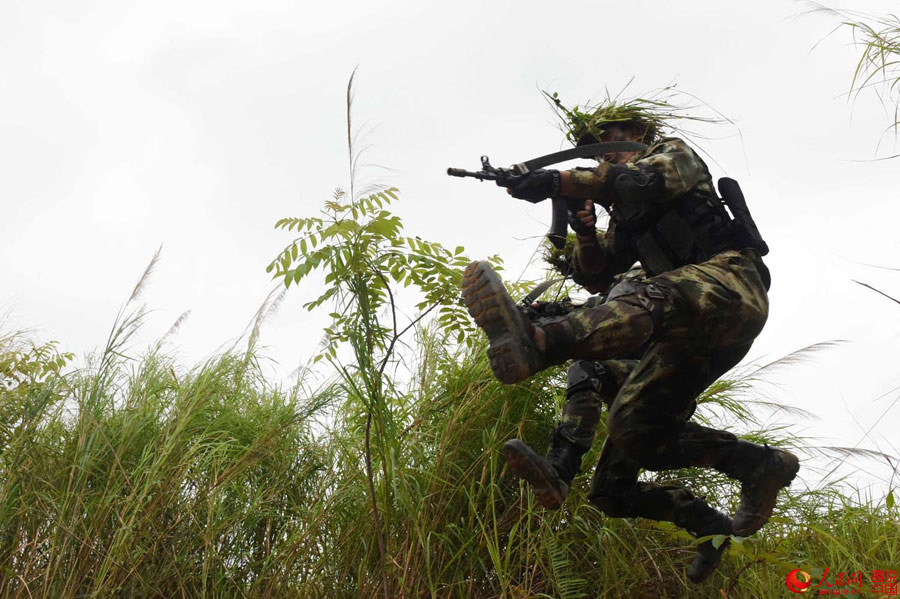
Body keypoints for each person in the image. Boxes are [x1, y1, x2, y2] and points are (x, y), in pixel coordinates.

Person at [460, 100, 799, 583]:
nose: (605, 159)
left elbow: (643, 181)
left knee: (647, 294)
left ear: (636, 134)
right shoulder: (625, 214)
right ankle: (758, 466)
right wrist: (584, 230)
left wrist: (559, 181)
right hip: (685, 332)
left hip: (728, 289)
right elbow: (598, 277)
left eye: (609, 145)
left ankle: (538, 342)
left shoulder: (674, 155)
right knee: (634, 429)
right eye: (597, 153)